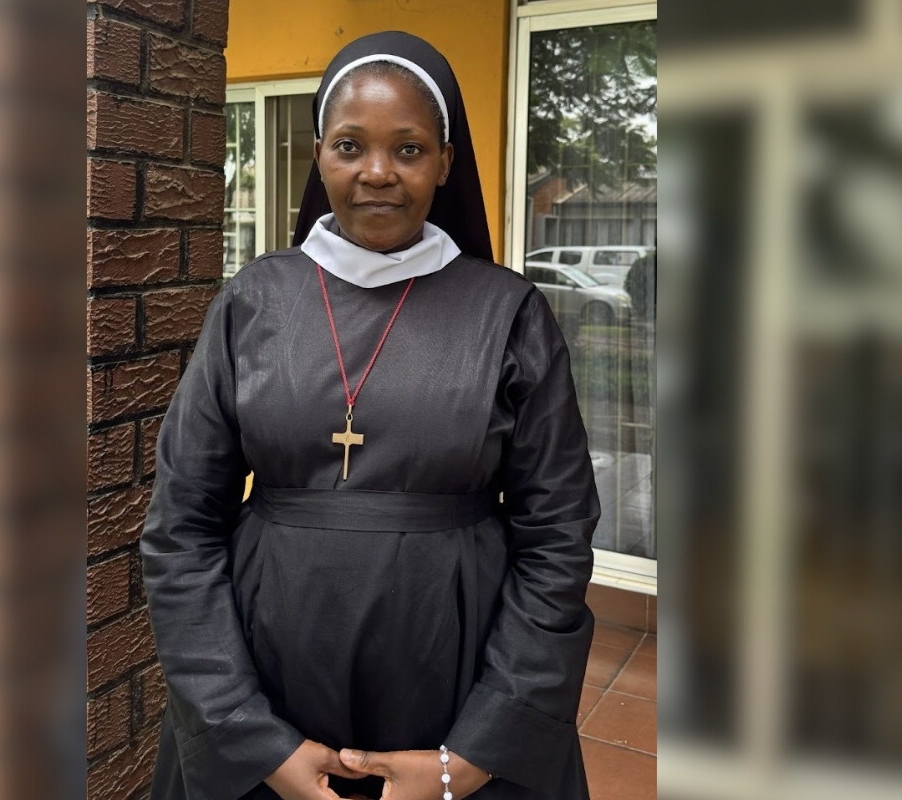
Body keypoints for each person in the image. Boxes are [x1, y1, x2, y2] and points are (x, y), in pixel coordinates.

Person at [141, 31, 600, 800]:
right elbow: (180, 526)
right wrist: (246, 735)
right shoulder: (253, 301)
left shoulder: (509, 313)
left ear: (446, 162)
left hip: (456, 689)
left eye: (410, 149)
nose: (378, 172)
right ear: (319, 154)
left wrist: (474, 755)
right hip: (263, 687)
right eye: (351, 145)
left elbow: (556, 538)